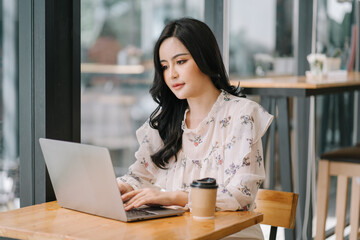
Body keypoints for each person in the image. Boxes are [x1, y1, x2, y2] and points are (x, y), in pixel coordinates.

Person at [117, 18, 273, 239]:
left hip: (232, 234)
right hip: (181, 233)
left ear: (203, 57)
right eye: (164, 66)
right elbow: (139, 175)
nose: (171, 74)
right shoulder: (166, 122)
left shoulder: (242, 115)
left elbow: (242, 194)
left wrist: (173, 197)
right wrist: (120, 187)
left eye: (180, 62)